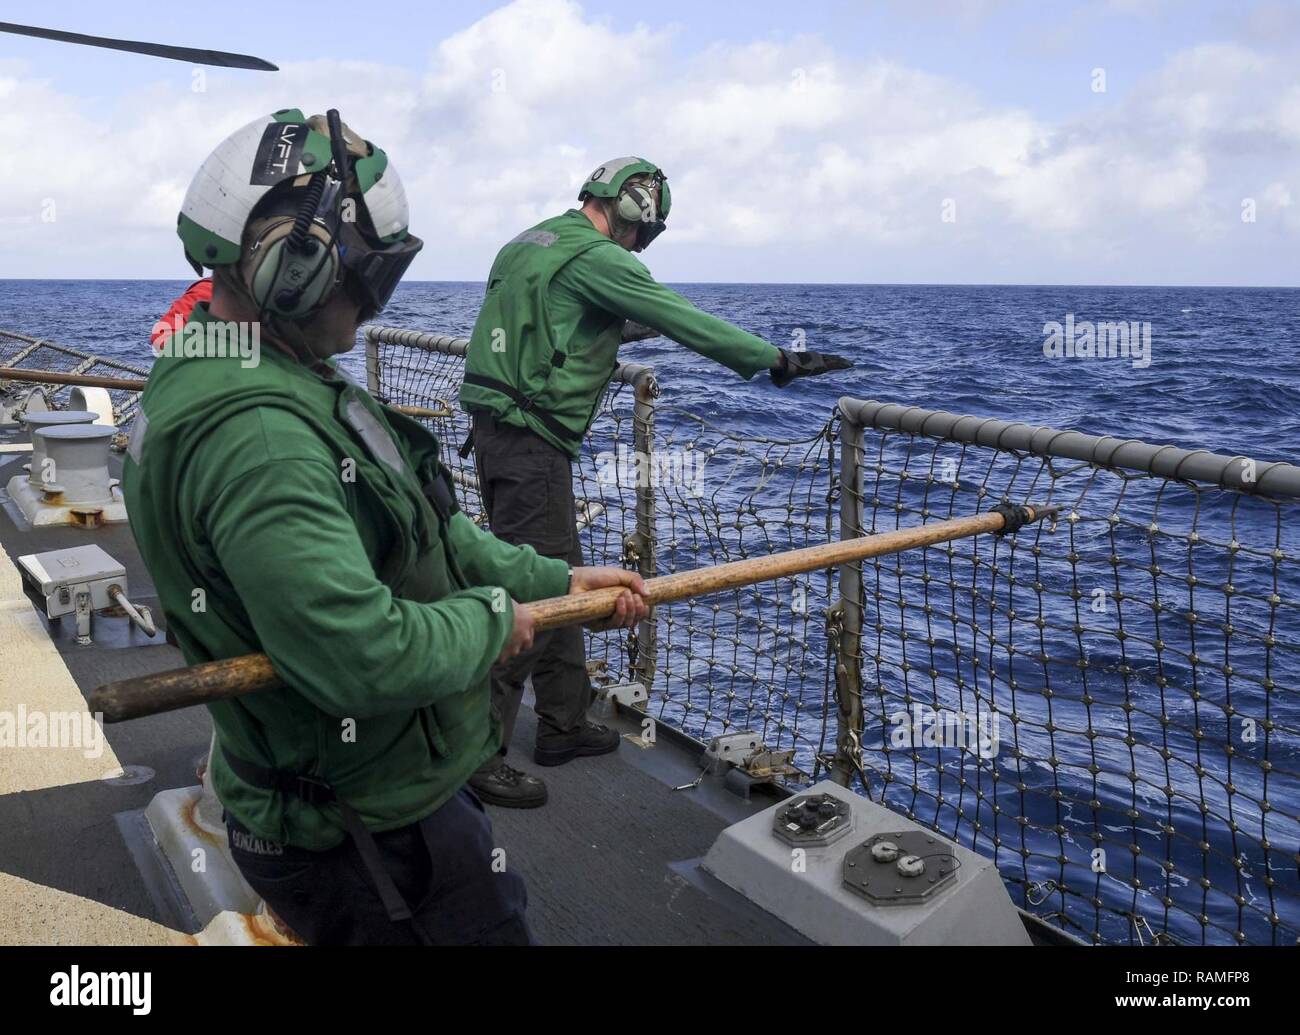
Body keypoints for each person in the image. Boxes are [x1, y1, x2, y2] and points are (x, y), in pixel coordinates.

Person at [122, 109, 649, 945]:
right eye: (371, 273)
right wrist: (492, 623)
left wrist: (551, 579)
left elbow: (423, 523)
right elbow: (354, 653)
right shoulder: (260, 437)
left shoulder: (255, 364)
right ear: (296, 266)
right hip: (363, 835)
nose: (373, 302)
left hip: (376, 795)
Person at [460, 156, 852, 808]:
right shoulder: (603, 258)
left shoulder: (528, 242)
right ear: (636, 204)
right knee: (532, 594)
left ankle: (560, 723)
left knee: (560, 576)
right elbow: (674, 315)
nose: (640, 244)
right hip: (531, 445)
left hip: (498, 434)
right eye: (647, 231)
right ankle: (476, 756)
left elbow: (559, 317)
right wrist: (772, 361)